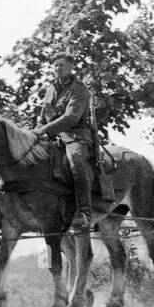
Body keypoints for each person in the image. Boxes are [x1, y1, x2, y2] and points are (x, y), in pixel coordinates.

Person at [33, 51, 95, 232]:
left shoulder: (79, 89)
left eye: (61, 65)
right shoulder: (51, 89)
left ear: (71, 67)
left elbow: (71, 118)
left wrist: (45, 129)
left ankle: (84, 212)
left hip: (76, 136)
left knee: (75, 161)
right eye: (55, 65)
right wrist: (36, 130)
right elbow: (43, 115)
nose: (57, 68)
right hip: (53, 137)